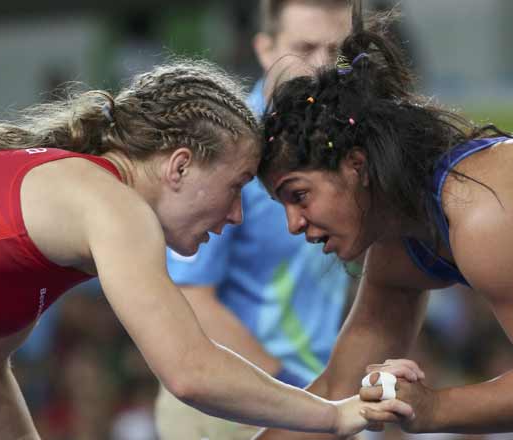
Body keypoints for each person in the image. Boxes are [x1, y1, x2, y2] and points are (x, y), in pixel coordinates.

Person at [0, 58, 415, 439]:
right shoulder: (112, 206)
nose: (236, 216)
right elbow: (191, 371)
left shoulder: (66, 214)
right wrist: (333, 416)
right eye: (236, 186)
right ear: (179, 167)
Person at [253, 1, 513, 437]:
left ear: (356, 165)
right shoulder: (400, 248)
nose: (293, 223)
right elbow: (334, 395)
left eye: (298, 195)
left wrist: (435, 409)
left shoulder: (478, 209)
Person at [154, 2, 353, 439]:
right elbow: (187, 297)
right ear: (265, 49)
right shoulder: (225, 153)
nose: (322, 67)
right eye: (304, 47)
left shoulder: (345, 139)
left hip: (318, 394)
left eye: (336, 52)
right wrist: (295, 392)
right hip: (230, 405)